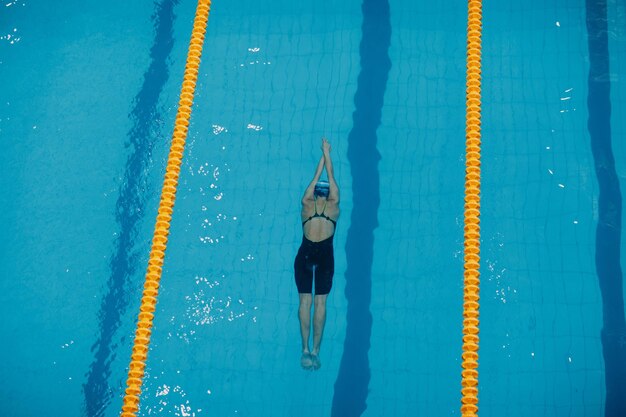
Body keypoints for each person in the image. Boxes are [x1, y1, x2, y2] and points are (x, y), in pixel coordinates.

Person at [294, 137, 340, 370]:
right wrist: (327, 153)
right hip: (325, 257)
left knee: (305, 301)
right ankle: (316, 350)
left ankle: (303, 349)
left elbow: (317, 178)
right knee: (321, 303)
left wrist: (321, 156)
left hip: (305, 254)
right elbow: (330, 177)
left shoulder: (305, 204)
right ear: (329, 193)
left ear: (314, 194)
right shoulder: (334, 205)